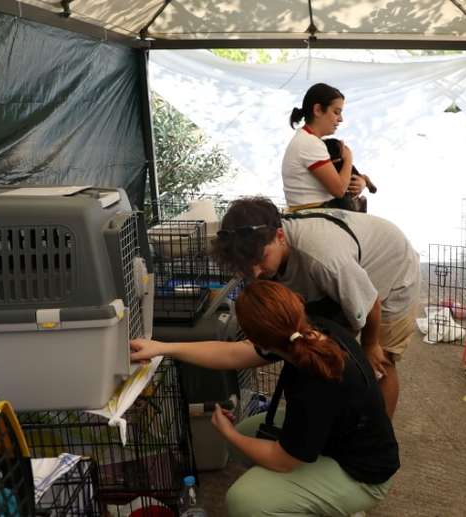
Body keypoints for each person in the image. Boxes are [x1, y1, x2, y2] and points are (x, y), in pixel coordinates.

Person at [130, 280, 399, 517]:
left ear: (257, 339)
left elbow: (284, 460)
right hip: (340, 438)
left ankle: (337, 503)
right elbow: (231, 354)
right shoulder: (307, 332)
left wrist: (227, 433)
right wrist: (163, 348)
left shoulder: (314, 382)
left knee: (245, 500)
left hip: (364, 474)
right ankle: (315, 498)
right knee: (249, 432)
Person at [210, 197, 420, 419]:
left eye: (262, 259)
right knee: (326, 350)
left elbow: (371, 304)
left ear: (280, 237)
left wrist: (369, 345)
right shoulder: (263, 248)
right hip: (349, 265)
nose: (255, 273)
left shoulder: (324, 259)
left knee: (380, 363)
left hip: (392, 266)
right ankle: (338, 421)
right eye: (246, 266)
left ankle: (378, 434)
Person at [282, 83, 367, 212]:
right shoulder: (309, 144)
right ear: (318, 110)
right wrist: (348, 158)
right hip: (313, 215)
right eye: (336, 112)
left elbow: (341, 182)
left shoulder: (309, 140)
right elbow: (339, 190)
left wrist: (360, 183)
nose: (341, 119)